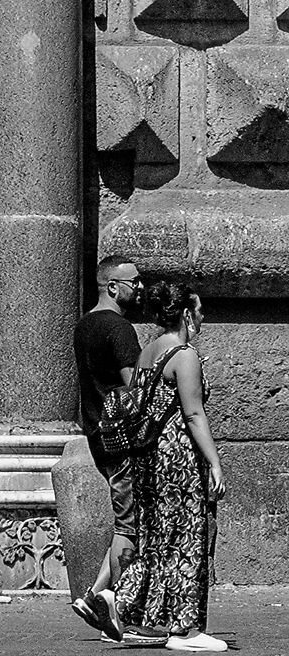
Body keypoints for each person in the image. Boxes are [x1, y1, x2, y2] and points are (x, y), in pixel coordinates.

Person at [106, 281, 227, 655]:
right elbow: (193, 414)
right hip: (177, 457)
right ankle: (186, 628)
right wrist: (215, 461)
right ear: (187, 314)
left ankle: (122, 599)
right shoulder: (185, 354)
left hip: (147, 457)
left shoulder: (149, 350)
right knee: (189, 536)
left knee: (157, 539)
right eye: (200, 309)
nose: (204, 315)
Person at [73, 255, 144, 636]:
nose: (141, 288)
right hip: (121, 437)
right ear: (113, 286)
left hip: (96, 432)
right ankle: (123, 612)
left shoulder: (84, 325)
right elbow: (136, 387)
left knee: (128, 520)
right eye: (135, 282)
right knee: (128, 524)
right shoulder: (119, 328)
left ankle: (95, 596)